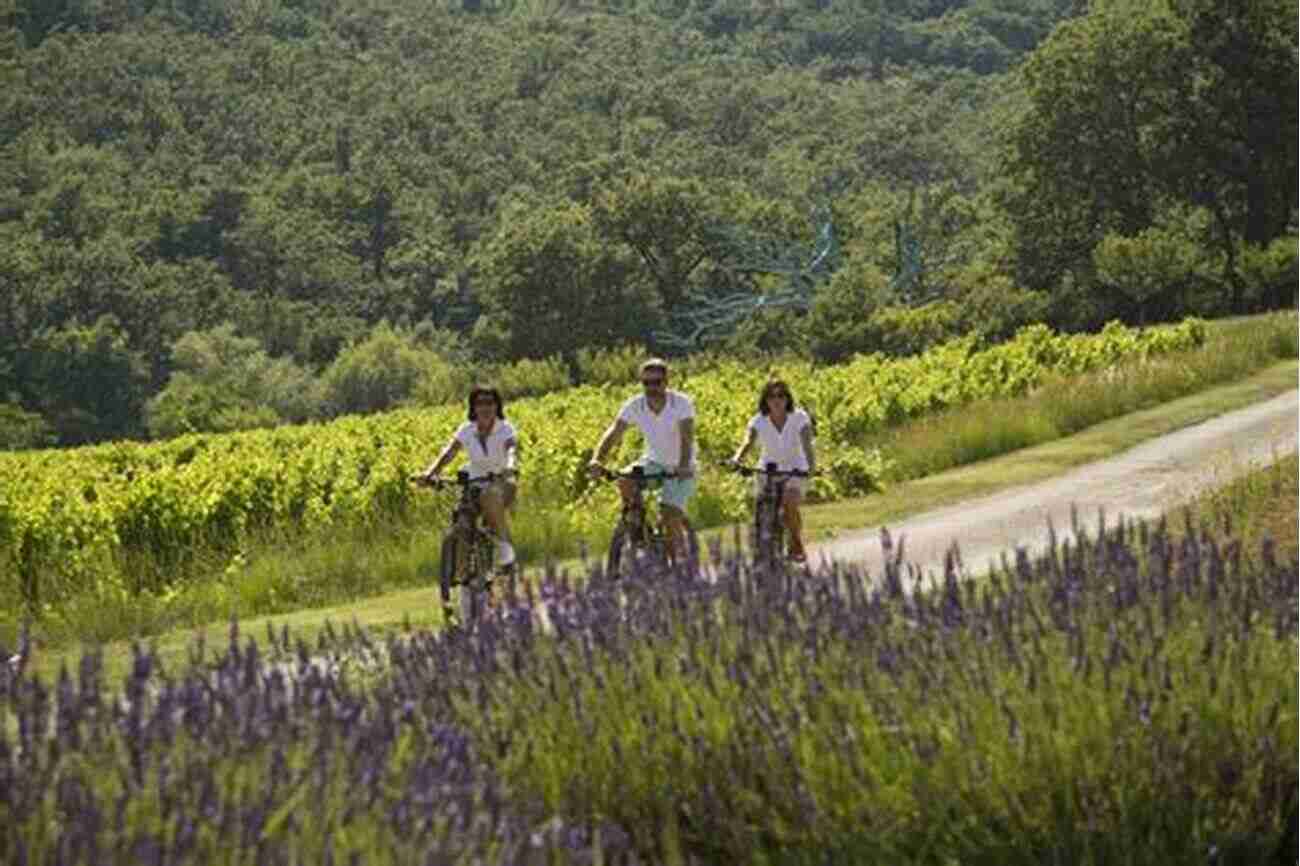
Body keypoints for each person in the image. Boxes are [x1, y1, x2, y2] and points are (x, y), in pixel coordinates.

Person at [588, 358, 696, 562]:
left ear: (666, 382)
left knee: (670, 515)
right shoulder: (635, 405)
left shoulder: (682, 403)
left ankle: (681, 566)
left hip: (682, 465)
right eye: (646, 383)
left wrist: (682, 466)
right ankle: (638, 533)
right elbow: (613, 433)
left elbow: (687, 437)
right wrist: (597, 460)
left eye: (656, 382)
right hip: (653, 461)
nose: (651, 388)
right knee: (625, 479)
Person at [420, 385, 519, 568]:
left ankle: (506, 549)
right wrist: (430, 473)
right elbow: (449, 453)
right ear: (473, 407)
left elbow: (512, 449)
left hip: (502, 481)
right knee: (463, 518)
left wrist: (511, 466)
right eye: (480, 403)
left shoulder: (505, 429)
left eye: (490, 403)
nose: (485, 408)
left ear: (497, 406)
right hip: (475, 482)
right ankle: (463, 572)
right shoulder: (466, 430)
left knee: (489, 497)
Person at [727, 379, 816, 563]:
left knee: (789, 501)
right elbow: (747, 442)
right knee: (763, 507)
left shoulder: (799, 417)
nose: (776, 400)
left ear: (787, 399)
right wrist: (737, 459)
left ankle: (796, 542)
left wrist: (811, 467)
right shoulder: (758, 420)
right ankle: (762, 548)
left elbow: (807, 444)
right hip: (767, 470)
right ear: (765, 400)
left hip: (795, 469)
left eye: (781, 396)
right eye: (771, 396)